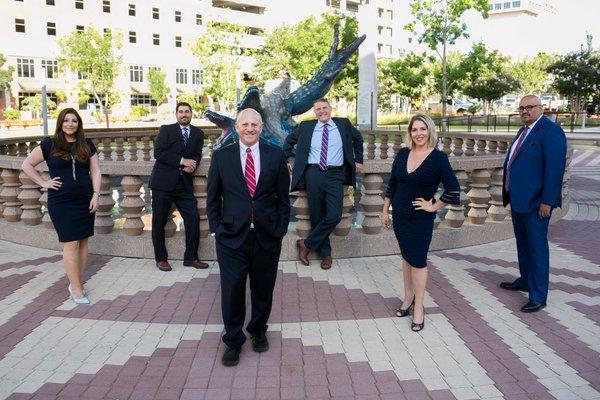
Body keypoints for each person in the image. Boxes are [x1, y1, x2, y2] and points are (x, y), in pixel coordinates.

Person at [207, 108, 290, 366]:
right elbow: (212, 198)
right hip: (231, 237)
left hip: (266, 236)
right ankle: (233, 340)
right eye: (245, 124)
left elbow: (283, 201)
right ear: (237, 127)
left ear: (262, 127)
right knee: (232, 290)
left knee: (263, 288)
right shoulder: (222, 157)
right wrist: (217, 229)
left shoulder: (276, 156)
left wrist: (280, 229)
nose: (250, 128)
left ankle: (258, 330)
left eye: (255, 124)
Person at [381, 114, 460, 332]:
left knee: (418, 262)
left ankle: (419, 307)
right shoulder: (403, 153)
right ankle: (407, 299)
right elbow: (392, 185)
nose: (419, 133)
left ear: (430, 131)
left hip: (420, 219)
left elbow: (453, 189)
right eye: (414, 129)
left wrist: (433, 207)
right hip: (400, 217)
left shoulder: (438, 158)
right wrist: (384, 210)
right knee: (406, 259)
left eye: (423, 129)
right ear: (410, 132)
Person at [21, 108, 100, 305]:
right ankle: (75, 288)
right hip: (61, 201)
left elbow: (96, 171)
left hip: (84, 199)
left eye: (74, 121)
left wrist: (96, 195)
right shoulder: (50, 144)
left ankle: (77, 283)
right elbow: (27, 165)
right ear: (61, 123)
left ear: (78, 124)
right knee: (71, 242)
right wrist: (44, 183)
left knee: (83, 242)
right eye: (66, 120)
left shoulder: (87, 144)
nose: (70, 124)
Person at [500, 95, 567, 313]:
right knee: (523, 244)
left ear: (541, 108)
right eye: (521, 108)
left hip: (537, 203)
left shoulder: (551, 131)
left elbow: (554, 170)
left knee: (537, 248)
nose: (524, 111)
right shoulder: (524, 130)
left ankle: (538, 295)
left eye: (529, 107)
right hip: (519, 200)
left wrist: (547, 201)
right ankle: (526, 280)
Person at [283, 98, 363, 269]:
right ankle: (326, 254)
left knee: (334, 215)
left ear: (330, 108)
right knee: (317, 215)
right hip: (313, 174)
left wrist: (359, 160)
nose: (321, 111)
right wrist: (290, 158)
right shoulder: (306, 126)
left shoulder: (342, 124)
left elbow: (358, 139)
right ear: (315, 112)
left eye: (324, 108)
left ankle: (306, 244)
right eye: (318, 109)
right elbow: (288, 142)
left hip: (335, 174)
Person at [149, 102, 208, 271]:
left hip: (184, 185)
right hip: (162, 184)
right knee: (159, 222)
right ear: (176, 114)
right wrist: (182, 161)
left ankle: (191, 258)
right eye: (181, 112)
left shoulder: (198, 133)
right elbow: (158, 153)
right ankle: (161, 259)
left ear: (191, 114)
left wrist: (193, 165)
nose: (184, 114)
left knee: (193, 219)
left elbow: (196, 154)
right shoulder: (166, 130)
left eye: (187, 112)